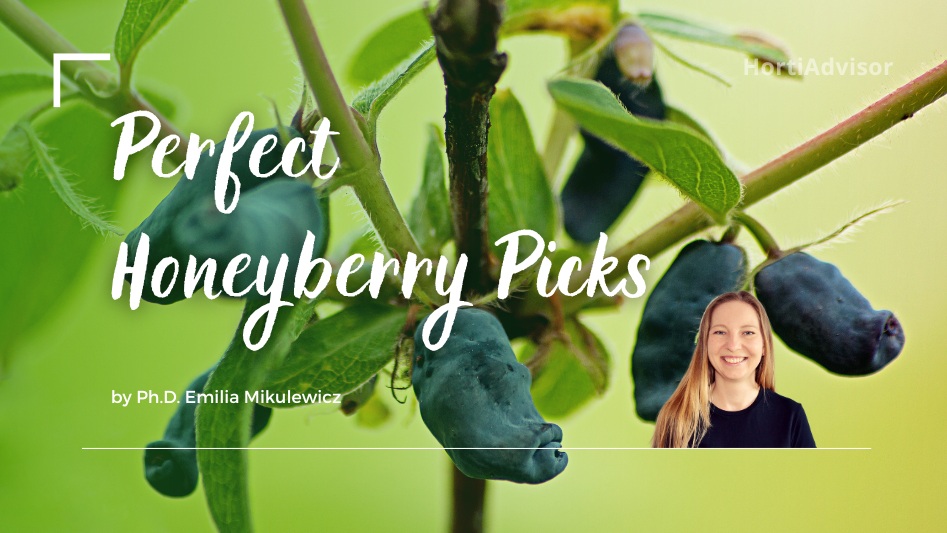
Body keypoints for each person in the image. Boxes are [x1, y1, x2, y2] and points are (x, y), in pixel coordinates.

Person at [651, 291, 816, 448]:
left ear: (764, 345)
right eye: (720, 332)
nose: (733, 346)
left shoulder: (790, 415)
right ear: (705, 344)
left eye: (748, 332)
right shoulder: (677, 418)